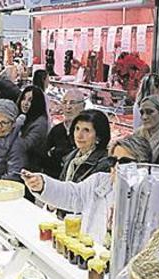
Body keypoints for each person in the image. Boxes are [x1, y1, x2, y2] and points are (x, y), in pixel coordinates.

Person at [22, 135, 152, 244]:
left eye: (125, 162)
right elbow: (72, 194)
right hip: (90, 259)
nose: (117, 167)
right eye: (113, 161)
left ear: (143, 166)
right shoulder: (99, 181)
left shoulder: (152, 198)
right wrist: (42, 184)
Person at [60, 109, 111, 183]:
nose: (79, 135)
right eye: (77, 129)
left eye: (86, 130)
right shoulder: (70, 158)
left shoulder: (104, 164)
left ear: (98, 136)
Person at [46, 89, 86, 178]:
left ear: (83, 106)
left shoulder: (88, 132)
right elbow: (46, 154)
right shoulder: (56, 130)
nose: (68, 107)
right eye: (64, 102)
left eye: (72, 103)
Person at [17, 85, 50, 173]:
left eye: (30, 100)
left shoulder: (40, 123)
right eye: (24, 99)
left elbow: (25, 146)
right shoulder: (25, 117)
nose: (25, 103)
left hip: (30, 168)